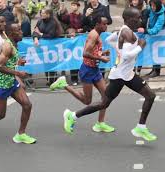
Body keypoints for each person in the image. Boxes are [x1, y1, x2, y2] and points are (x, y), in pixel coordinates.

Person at [61, 7, 157, 142]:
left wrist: (117, 41)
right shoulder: (127, 33)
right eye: (137, 18)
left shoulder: (124, 31)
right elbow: (126, 55)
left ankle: (140, 127)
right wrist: (141, 46)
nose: (140, 20)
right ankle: (72, 115)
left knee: (149, 96)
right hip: (120, 76)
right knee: (104, 103)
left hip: (126, 74)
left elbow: (110, 41)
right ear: (129, 19)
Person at [50, 16, 115, 133]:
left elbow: (93, 51)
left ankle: (100, 123)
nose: (106, 26)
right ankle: (64, 84)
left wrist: (103, 52)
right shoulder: (94, 35)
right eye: (104, 24)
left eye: (107, 24)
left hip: (95, 70)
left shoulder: (97, 34)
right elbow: (85, 53)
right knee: (87, 101)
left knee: (106, 97)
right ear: (97, 24)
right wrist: (101, 57)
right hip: (87, 70)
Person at [33, 7, 63, 85]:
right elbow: (35, 31)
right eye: (41, 13)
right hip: (43, 47)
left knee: (52, 62)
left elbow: (51, 35)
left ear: (48, 14)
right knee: (45, 62)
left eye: (43, 13)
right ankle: (48, 79)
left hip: (52, 46)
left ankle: (53, 79)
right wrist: (35, 38)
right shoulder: (40, 21)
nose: (41, 15)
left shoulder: (53, 22)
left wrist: (40, 34)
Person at [138, 0, 165, 78]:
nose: (152, 7)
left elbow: (156, 29)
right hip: (151, 36)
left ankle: (157, 71)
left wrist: (146, 31)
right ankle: (153, 70)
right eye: (151, 5)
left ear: (158, 6)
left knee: (156, 53)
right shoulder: (150, 9)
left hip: (158, 36)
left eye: (154, 6)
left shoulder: (161, 16)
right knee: (152, 53)